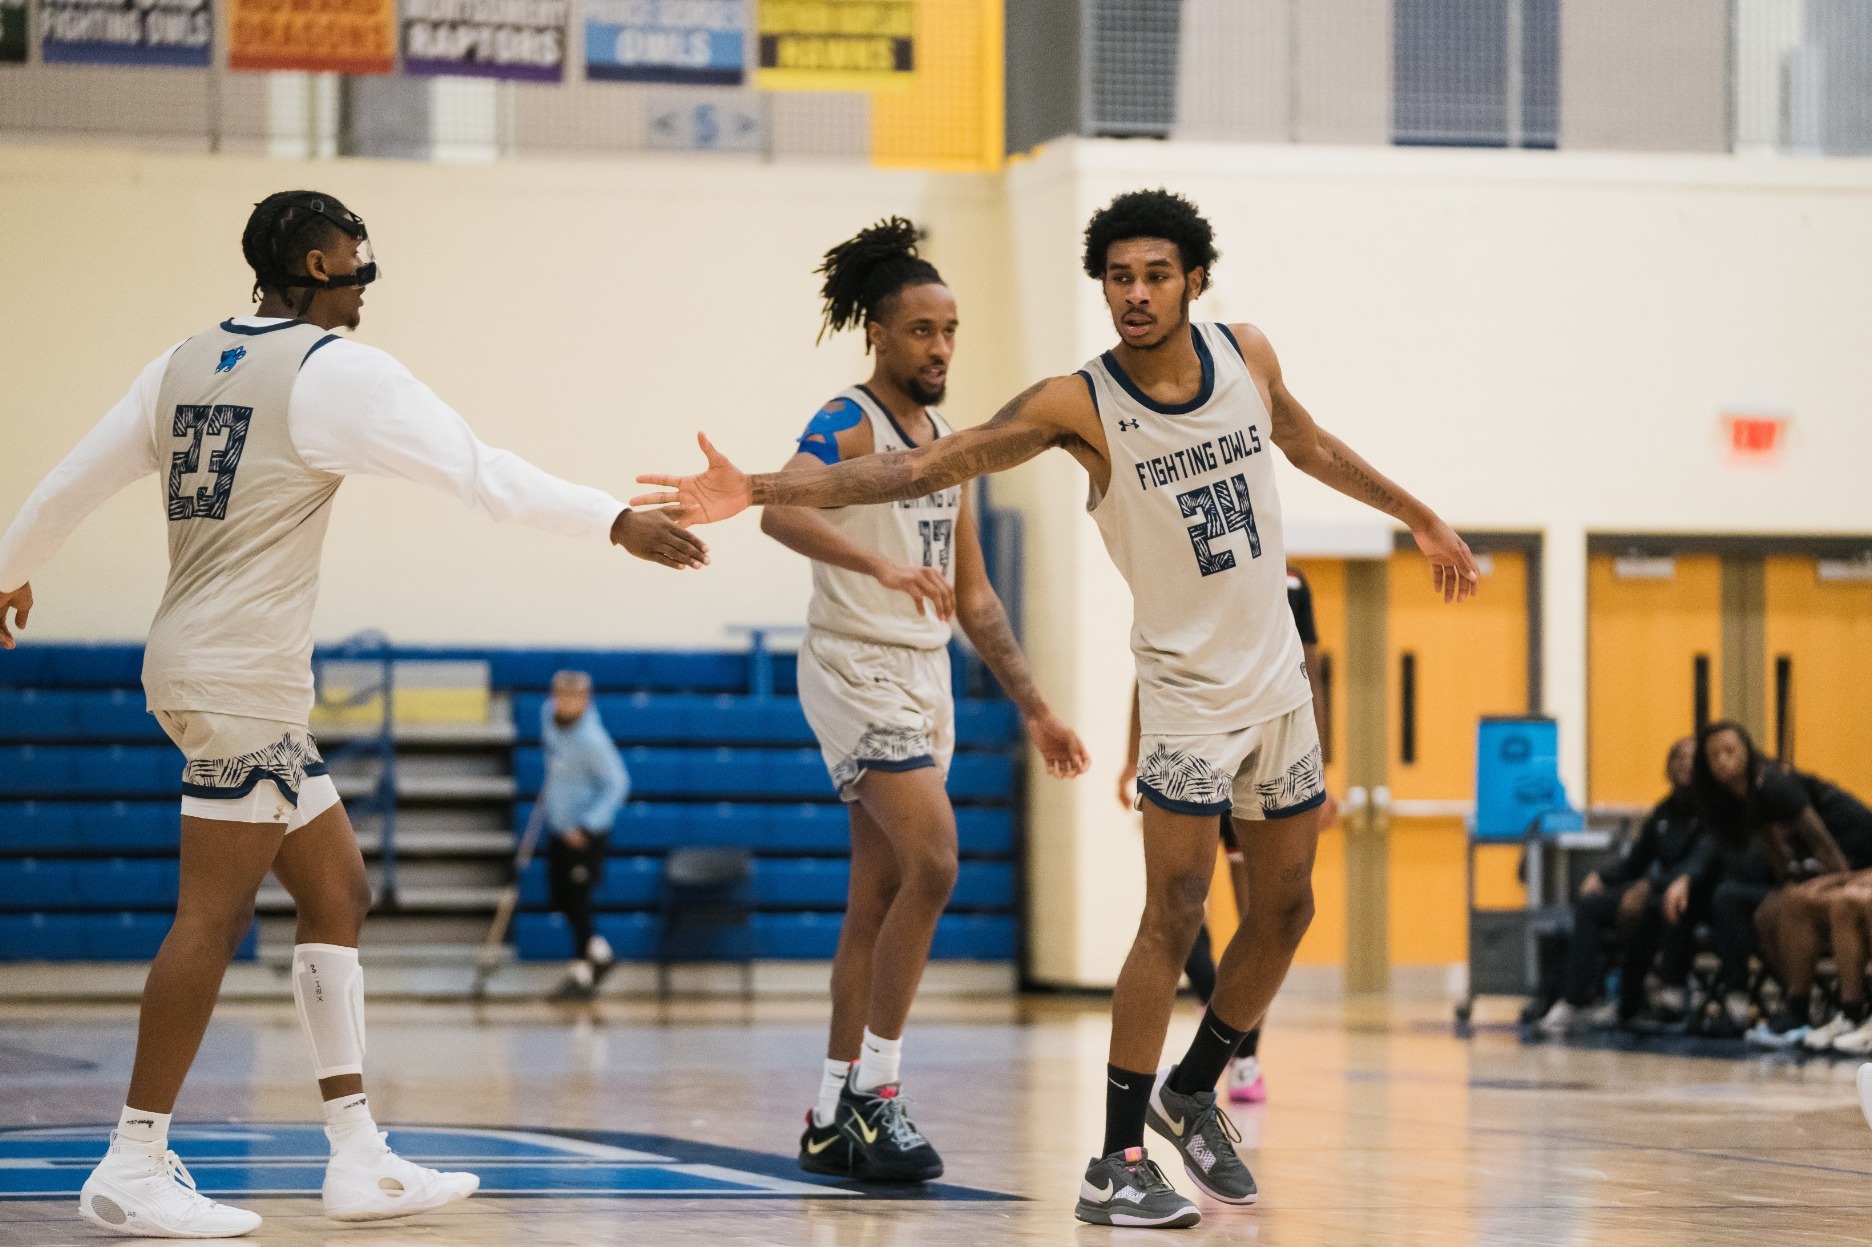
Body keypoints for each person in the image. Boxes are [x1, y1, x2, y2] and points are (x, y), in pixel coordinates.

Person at [634, 189, 1478, 1228]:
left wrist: (1421, 515)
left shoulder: (1248, 355)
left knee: (1289, 907)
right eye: (1118, 276)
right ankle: (1113, 1154)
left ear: (1194, 281)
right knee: (1166, 910)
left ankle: (1193, 1084)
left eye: (1154, 274)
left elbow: (1308, 442)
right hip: (1178, 690)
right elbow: (920, 466)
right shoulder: (1074, 403)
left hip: (1275, 687)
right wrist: (760, 487)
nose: (1133, 292)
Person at [0, 190, 706, 1239]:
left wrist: (10, 572)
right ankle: (132, 1158)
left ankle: (357, 1151)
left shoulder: (183, 362)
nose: (369, 285)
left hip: (212, 667)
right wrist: (613, 519)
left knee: (339, 889)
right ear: (320, 260)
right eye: (360, 265)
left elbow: (67, 482)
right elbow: (482, 475)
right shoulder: (339, 373)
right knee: (214, 915)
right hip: (238, 676)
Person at [761, 219, 1088, 1183]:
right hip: (855, 665)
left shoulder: (953, 444)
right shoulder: (845, 418)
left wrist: (1035, 705)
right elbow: (782, 509)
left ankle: (827, 1114)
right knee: (937, 861)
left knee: (877, 898)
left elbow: (975, 592)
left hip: (924, 674)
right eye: (920, 331)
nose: (940, 347)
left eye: (950, 330)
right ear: (880, 335)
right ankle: (879, 1093)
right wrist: (878, 564)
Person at [1118, 565, 1337, 1104]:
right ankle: (1210, 1023)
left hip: (1263, 753)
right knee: (1180, 910)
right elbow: (1146, 675)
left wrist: (1321, 765)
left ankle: (1244, 1056)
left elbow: (1309, 668)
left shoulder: (1290, 583)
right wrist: (1131, 759)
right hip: (1192, 739)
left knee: (1266, 913)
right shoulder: (1180, 566)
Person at [1686, 720, 1854, 1044]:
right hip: (1829, 862)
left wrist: (1840, 890)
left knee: (1791, 908)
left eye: (1730, 751)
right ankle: (1801, 1006)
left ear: (1747, 752)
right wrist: (1790, 882)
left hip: (1854, 850)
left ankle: (1816, 1008)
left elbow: (1825, 845)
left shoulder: (1774, 784)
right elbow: (1775, 853)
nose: (1723, 760)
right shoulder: (1738, 799)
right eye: (1714, 755)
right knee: (1767, 914)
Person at [1538, 737, 1706, 1033]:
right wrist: (1603, 877)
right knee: (1591, 905)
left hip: (1696, 896)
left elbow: (1701, 864)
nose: (1685, 763)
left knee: (1653, 907)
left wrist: (1647, 887)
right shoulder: (1663, 812)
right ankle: (1573, 1001)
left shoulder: (1714, 812)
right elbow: (1636, 861)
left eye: (1693, 758)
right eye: (1678, 757)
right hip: (1656, 893)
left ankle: (1655, 999)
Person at [539, 669, 630, 1002]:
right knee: (558, 897)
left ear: (585, 700)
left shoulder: (593, 741)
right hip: (558, 826)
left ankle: (582, 973)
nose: (563, 703)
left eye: (572, 697)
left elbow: (618, 784)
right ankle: (600, 955)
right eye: (559, 695)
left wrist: (588, 825)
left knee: (578, 900)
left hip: (584, 834)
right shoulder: (547, 717)